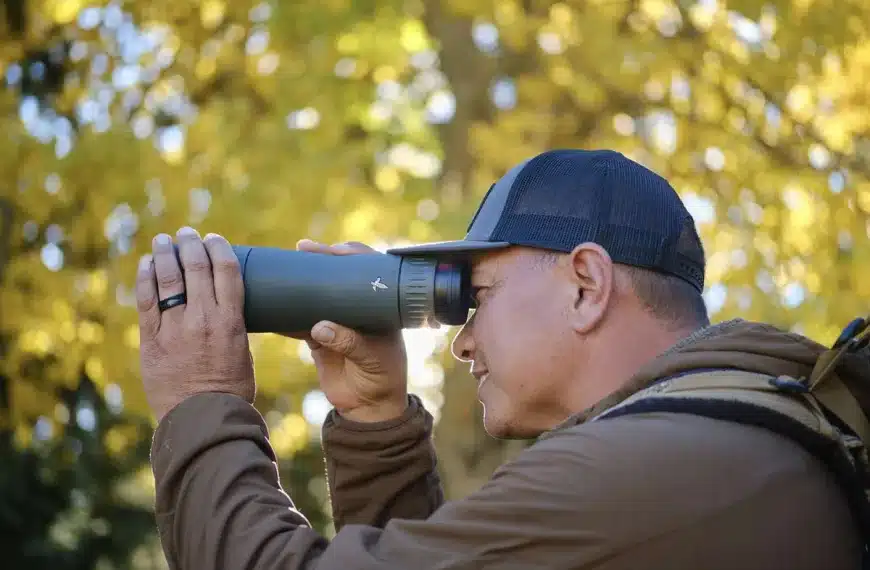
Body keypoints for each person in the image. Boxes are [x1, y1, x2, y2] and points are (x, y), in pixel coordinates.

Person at [137, 149, 868, 570]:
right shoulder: (730, 443)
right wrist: (375, 422)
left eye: (475, 294)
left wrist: (201, 402)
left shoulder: (648, 470)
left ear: (586, 285)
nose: (459, 339)